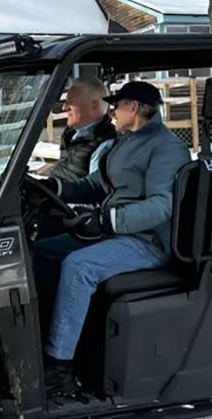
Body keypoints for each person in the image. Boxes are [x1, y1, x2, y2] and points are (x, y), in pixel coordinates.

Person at [32, 81, 192, 399]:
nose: (113, 112)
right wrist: (56, 188)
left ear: (133, 108)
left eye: (117, 106)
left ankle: (59, 367)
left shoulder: (165, 147)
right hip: (117, 233)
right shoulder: (127, 140)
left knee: (79, 266)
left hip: (148, 242)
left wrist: (108, 220)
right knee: (38, 254)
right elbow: (99, 183)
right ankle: (34, 340)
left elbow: (163, 205)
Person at [50, 76, 116, 182]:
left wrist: (56, 189)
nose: (64, 107)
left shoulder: (105, 143)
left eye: (71, 102)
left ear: (93, 105)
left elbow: (93, 189)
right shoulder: (70, 133)